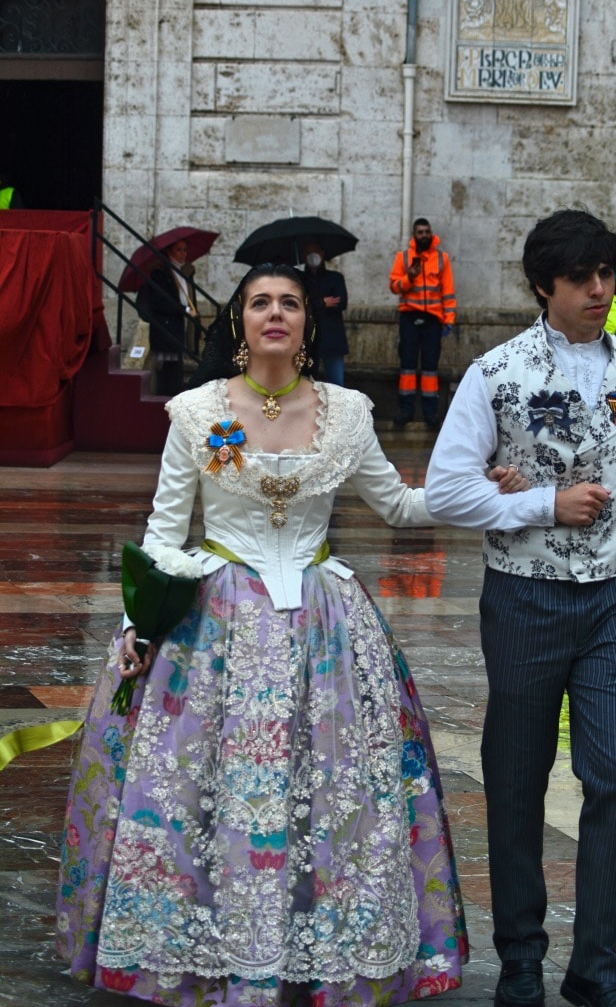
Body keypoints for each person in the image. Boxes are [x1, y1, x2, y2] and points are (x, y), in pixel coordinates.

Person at [56, 262, 528, 1007]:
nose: (274, 313)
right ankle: (210, 953)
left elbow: (399, 506)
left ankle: (320, 946)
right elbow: (165, 531)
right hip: (217, 620)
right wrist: (137, 625)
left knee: (333, 789)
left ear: (308, 322)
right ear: (240, 323)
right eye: (259, 303)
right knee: (201, 788)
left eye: (289, 303)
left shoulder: (346, 412)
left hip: (324, 621)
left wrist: (481, 489)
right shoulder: (197, 413)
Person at [425, 209, 616, 1007]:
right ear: (544, 286)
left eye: (607, 275)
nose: (599, 291)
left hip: (613, 601)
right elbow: (447, 489)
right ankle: (521, 961)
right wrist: (542, 503)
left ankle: (596, 966)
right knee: (515, 781)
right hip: (524, 598)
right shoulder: (496, 373)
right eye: (580, 279)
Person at [389, 218, 456, 429]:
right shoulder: (403, 257)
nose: (424, 235)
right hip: (409, 317)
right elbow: (394, 287)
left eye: (427, 231)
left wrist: (449, 319)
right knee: (407, 365)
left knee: (430, 367)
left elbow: (448, 291)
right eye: (420, 232)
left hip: (433, 320)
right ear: (414, 235)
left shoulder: (442, 259)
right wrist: (409, 277)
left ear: (431, 233)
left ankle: (430, 413)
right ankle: (405, 410)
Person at [136, 239, 199, 395]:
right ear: (169, 251)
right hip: (167, 328)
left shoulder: (185, 272)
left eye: (185, 250)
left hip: (181, 327)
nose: (183, 254)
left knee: (176, 369)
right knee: (169, 371)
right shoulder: (161, 273)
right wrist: (185, 310)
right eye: (179, 250)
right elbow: (161, 302)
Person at [302, 241, 349, 386]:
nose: (313, 255)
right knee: (306, 382)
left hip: (332, 337)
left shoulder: (335, 278)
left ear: (323, 254)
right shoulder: (300, 280)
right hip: (307, 337)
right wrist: (322, 302)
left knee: (337, 383)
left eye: (316, 250)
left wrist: (311, 303)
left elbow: (341, 303)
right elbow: (297, 305)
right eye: (309, 251)